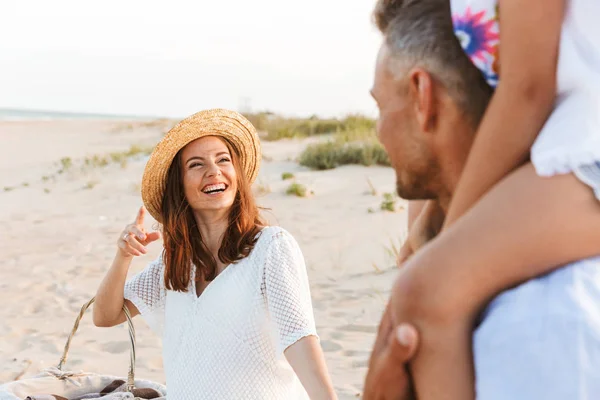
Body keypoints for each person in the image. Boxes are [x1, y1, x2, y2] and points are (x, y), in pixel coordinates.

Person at [363, 0, 600, 398]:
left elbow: (527, 88)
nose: (377, 130)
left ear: (424, 96)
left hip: (586, 150)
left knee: (424, 291)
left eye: (378, 106)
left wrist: (447, 242)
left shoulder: (547, 321)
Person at [92, 109, 337, 400]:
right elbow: (105, 315)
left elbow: (299, 337)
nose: (214, 171)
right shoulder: (175, 263)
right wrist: (123, 257)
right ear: (179, 185)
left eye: (223, 159)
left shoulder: (271, 247)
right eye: (196, 165)